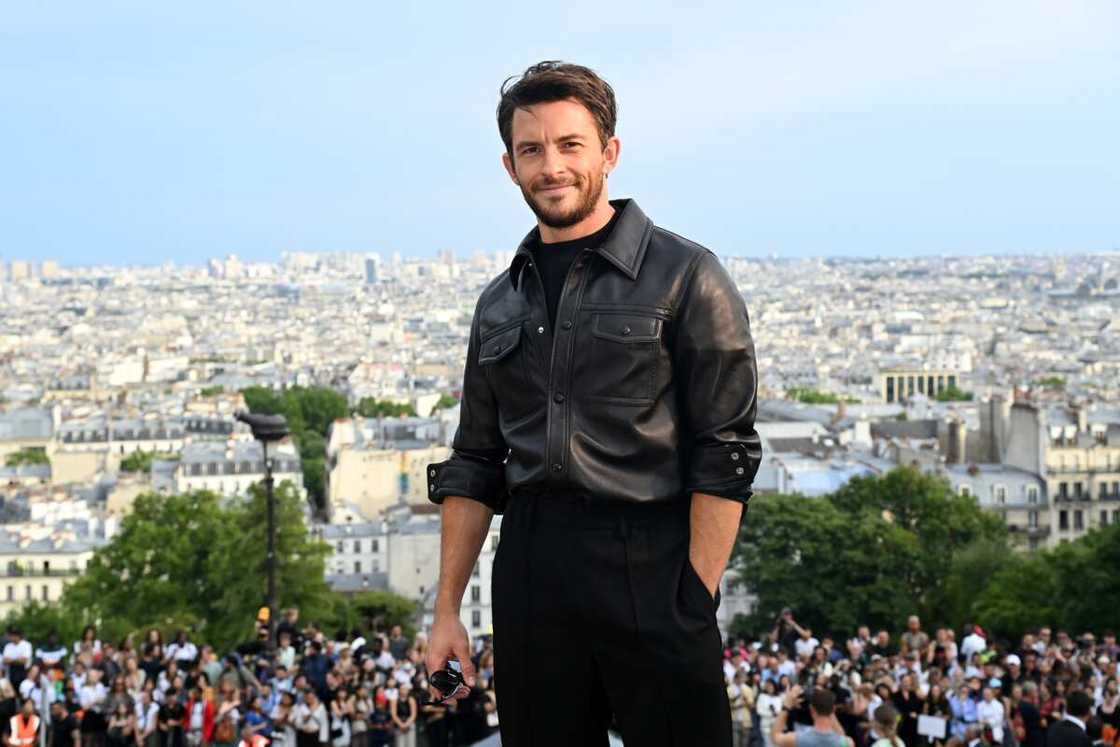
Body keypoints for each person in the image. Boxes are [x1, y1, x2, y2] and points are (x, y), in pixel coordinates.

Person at [425, 59, 761, 747]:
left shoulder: (688, 275)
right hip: (531, 569)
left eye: (569, 144)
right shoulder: (498, 302)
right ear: (509, 166)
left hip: (652, 560)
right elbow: (475, 460)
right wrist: (447, 611)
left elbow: (726, 449)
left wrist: (693, 597)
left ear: (609, 152)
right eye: (531, 149)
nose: (551, 166)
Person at [769, 686, 853, 747]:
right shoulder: (847, 743)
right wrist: (826, 702)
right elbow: (841, 735)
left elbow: (775, 737)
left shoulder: (797, 739)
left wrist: (786, 705)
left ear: (812, 710)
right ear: (833, 709)